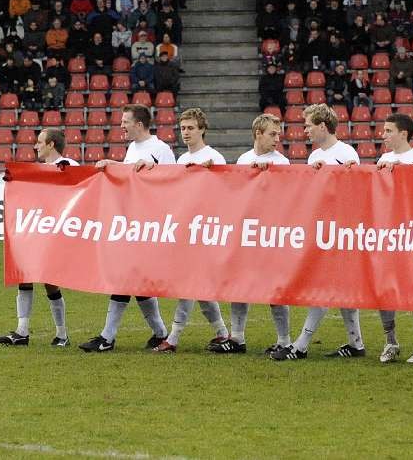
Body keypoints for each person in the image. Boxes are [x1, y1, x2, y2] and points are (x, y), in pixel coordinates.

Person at [270, 104, 365, 361]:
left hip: (341, 231)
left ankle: (301, 344)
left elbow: (354, 187)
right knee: (339, 288)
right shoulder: (314, 157)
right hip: (323, 229)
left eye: (309, 125)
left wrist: (332, 173)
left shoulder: (346, 153)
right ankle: (356, 344)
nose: (306, 130)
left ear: (323, 126)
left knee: (324, 286)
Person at [79, 105, 175, 353]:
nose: (121, 126)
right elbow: (129, 177)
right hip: (132, 223)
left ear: (139, 124)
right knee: (136, 282)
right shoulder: (133, 148)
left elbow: (174, 183)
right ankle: (160, 333)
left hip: (150, 225)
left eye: (125, 122)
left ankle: (107, 338)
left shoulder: (161, 149)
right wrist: (111, 164)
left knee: (126, 279)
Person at [208, 114, 292, 356]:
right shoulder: (244, 159)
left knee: (275, 290)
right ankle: (237, 338)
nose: (277, 138)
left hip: (270, 234)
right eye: (272, 134)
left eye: (278, 134)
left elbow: (285, 199)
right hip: (246, 232)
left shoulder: (282, 163)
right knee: (239, 285)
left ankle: (284, 340)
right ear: (258, 134)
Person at [152, 109, 230, 353]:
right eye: (183, 128)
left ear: (202, 129)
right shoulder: (181, 159)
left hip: (205, 230)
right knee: (199, 287)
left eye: (191, 128)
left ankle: (173, 338)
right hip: (187, 229)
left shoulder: (214, 157)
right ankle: (223, 333)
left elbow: (223, 192)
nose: (185, 132)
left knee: (189, 285)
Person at [0, 129, 78, 347]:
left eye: (39, 142)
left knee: (50, 283)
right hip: (37, 231)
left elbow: (80, 186)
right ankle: (22, 331)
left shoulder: (69, 163)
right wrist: (15, 180)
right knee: (24, 276)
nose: (35, 146)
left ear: (51, 144)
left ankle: (62, 334)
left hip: (56, 232)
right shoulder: (39, 169)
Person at [375, 113, 413, 364]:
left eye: (388, 131)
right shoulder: (384, 158)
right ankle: (391, 341)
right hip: (388, 233)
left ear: (403, 134)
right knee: (385, 289)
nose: (383, 135)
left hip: (412, 232)